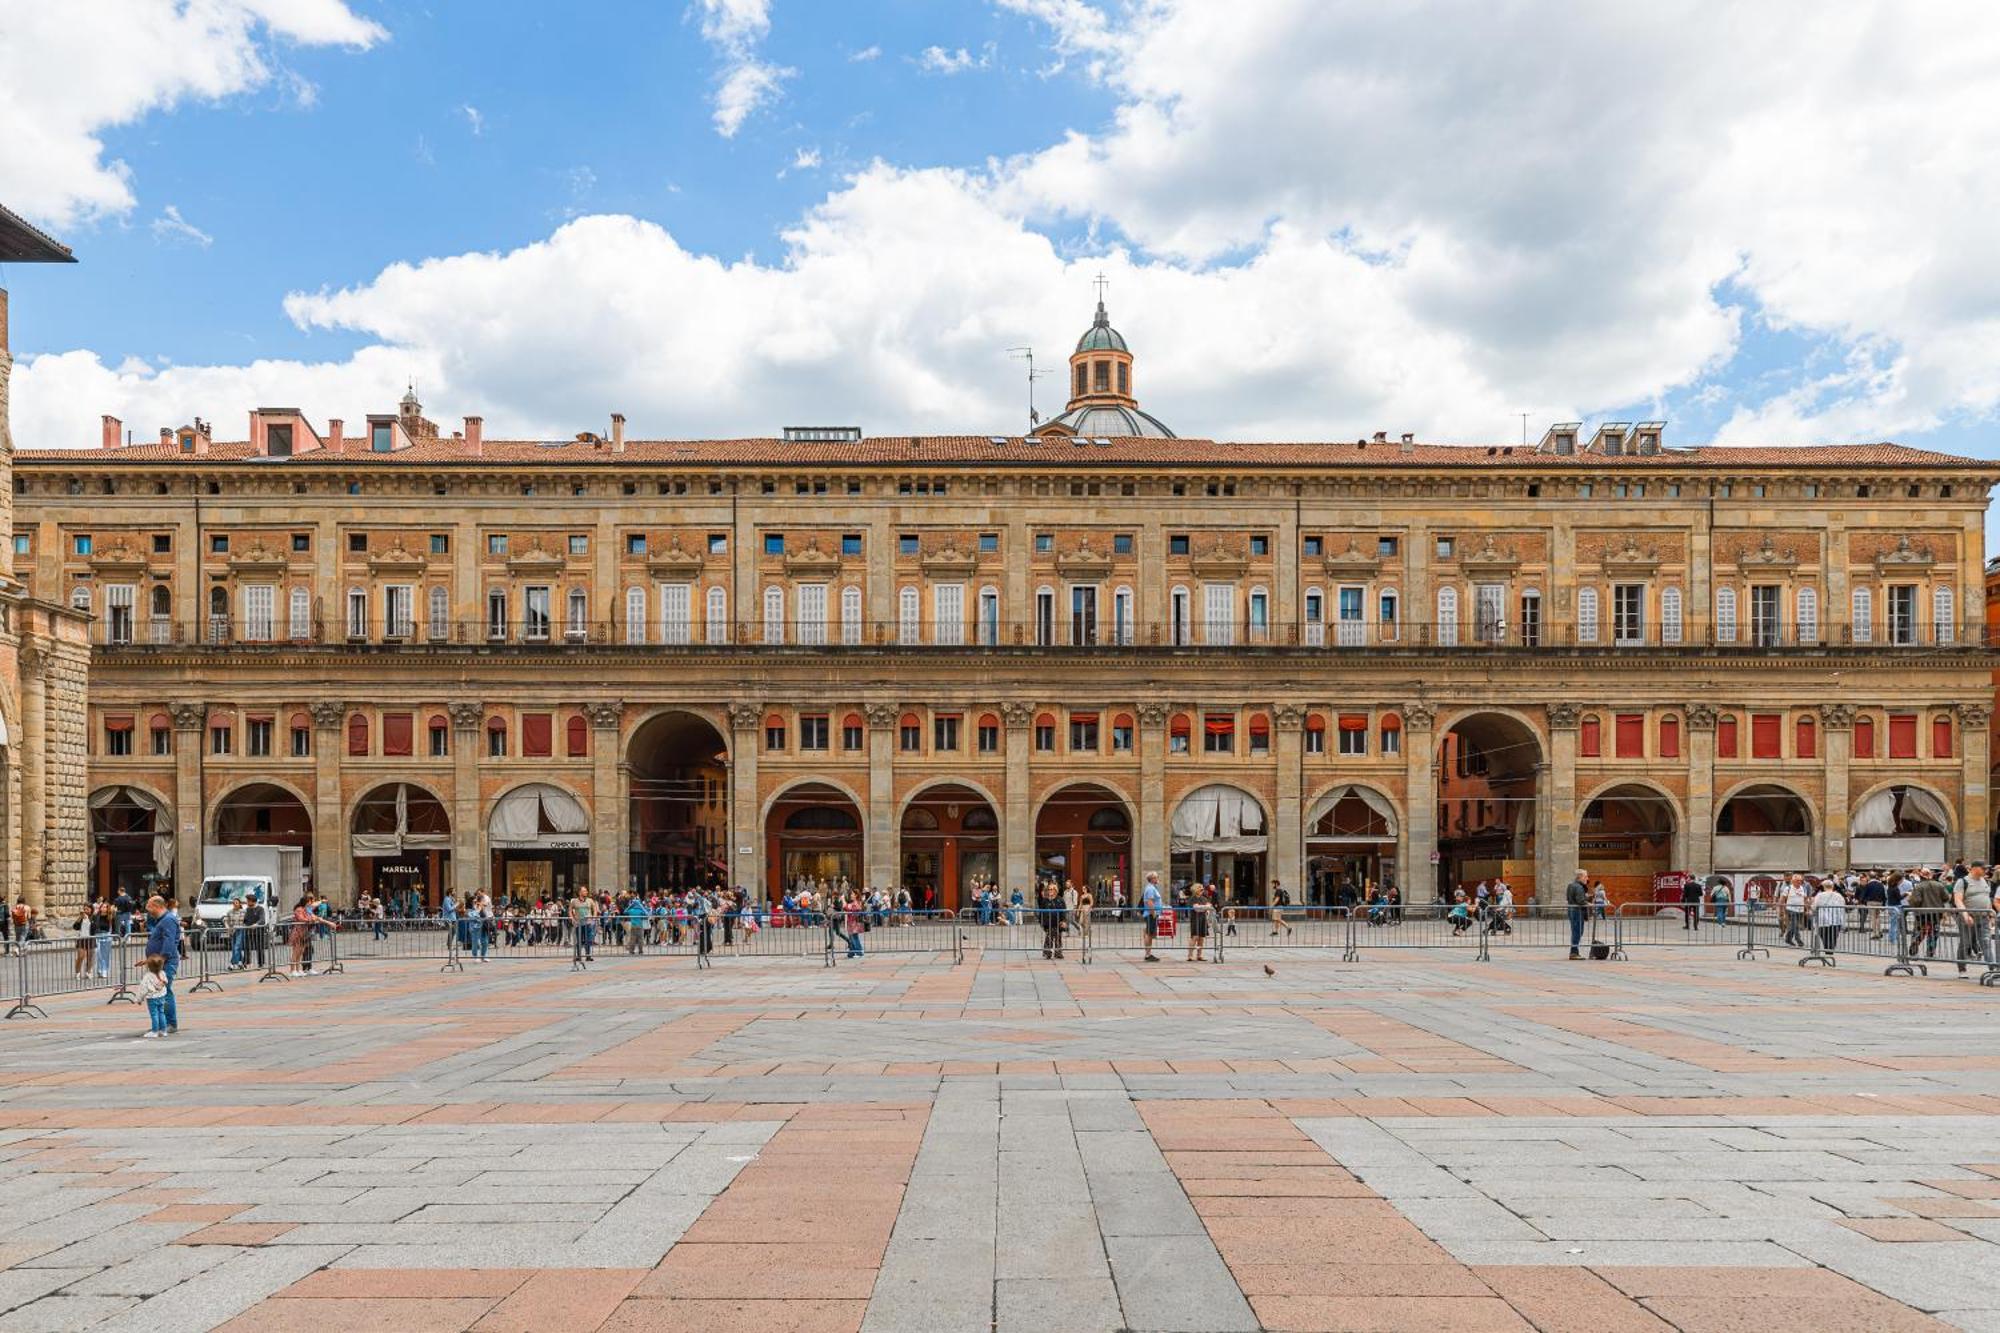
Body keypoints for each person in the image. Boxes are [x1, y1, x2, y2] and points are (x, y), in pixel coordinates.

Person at [144, 896, 181, 1034]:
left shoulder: (168, 920)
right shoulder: (163, 920)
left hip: (166, 963)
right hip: (159, 962)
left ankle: (170, 1023)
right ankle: (162, 1024)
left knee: (165, 991)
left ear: (156, 906)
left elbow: (169, 942)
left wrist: (161, 959)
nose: (147, 909)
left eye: (148, 906)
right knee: (161, 992)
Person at [1954, 862, 1994, 976]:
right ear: (1975, 868)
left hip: (1984, 917)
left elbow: (1986, 898)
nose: (1986, 871)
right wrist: (1965, 914)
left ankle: (1993, 968)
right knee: (1965, 943)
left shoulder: (1984, 881)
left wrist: (1990, 913)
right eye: (1984, 868)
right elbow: (1958, 900)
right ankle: (1962, 969)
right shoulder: (1963, 881)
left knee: (1986, 943)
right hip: (1968, 917)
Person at [1809, 877, 1847, 954]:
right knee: (1833, 936)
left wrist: (1811, 908)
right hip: (1836, 919)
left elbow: (1814, 906)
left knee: (1824, 935)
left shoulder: (1820, 895)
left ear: (1823, 887)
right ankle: (1830, 950)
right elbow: (1843, 905)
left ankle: (1827, 949)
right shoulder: (1839, 896)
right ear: (1832, 886)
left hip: (1823, 920)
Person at [139, 954, 170, 1038]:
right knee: (161, 1013)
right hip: (161, 996)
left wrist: (139, 999)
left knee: (154, 1014)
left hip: (152, 998)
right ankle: (163, 1030)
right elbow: (165, 981)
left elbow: (143, 989)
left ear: (148, 966)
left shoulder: (147, 976)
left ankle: (154, 1031)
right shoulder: (163, 973)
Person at [1564, 868, 1589, 959]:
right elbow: (1580, 901)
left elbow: (1569, 898)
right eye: (1585, 876)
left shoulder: (1571, 885)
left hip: (1571, 910)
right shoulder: (1579, 887)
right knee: (1578, 932)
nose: (1587, 878)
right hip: (1577, 911)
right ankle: (1574, 952)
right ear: (1580, 877)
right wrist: (1589, 903)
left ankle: (1574, 951)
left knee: (1575, 931)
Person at [1139, 871, 1164, 963]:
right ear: (1152, 879)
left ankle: (1148, 953)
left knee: (1149, 933)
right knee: (1149, 934)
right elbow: (1149, 902)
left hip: (1152, 913)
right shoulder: (1150, 888)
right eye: (1157, 877)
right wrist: (1153, 913)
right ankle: (1148, 954)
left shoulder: (1153, 888)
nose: (1158, 879)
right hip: (1151, 914)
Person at [1779, 875, 1809, 947]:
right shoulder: (1788, 888)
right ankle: (1798, 939)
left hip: (1800, 910)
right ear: (1793, 881)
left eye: (1800, 881)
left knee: (1794, 926)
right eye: (1797, 881)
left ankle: (1788, 939)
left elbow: (1805, 899)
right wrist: (1781, 910)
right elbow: (1782, 899)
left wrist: (1807, 909)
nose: (1799, 882)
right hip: (1790, 909)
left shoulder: (1803, 888)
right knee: (1795, 925)